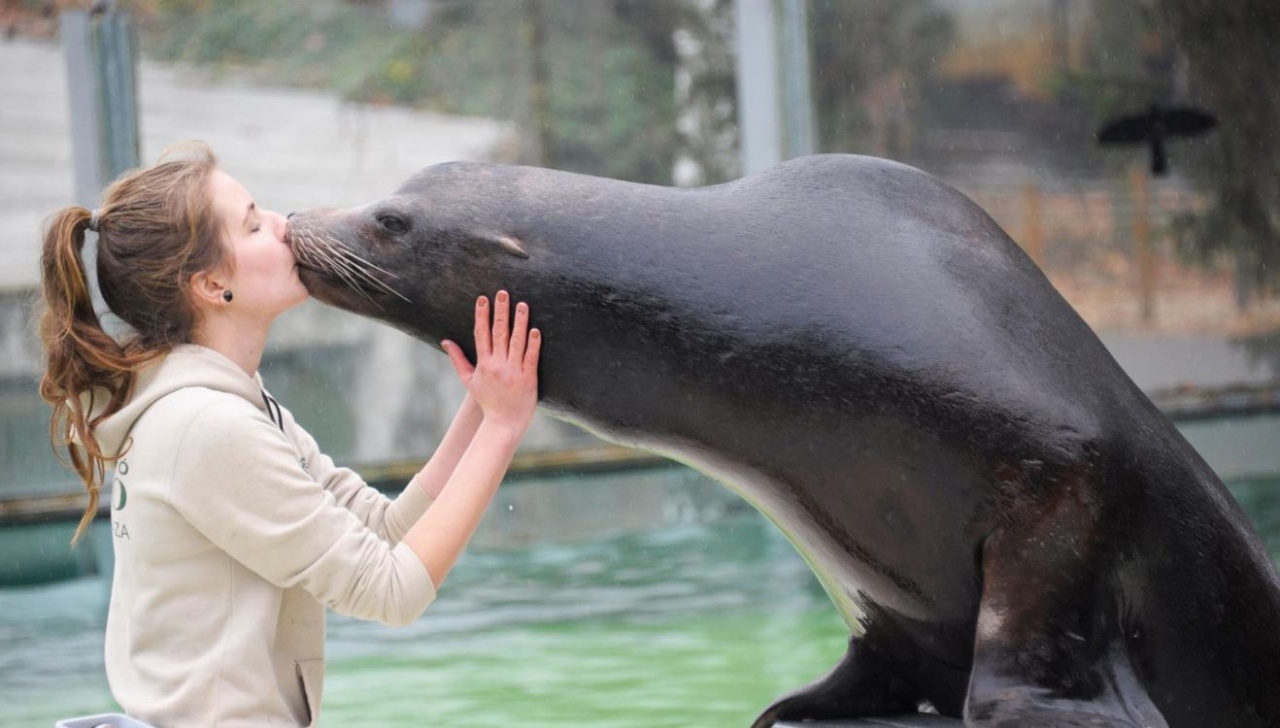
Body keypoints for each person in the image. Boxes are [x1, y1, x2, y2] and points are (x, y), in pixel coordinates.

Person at [38, 142, 542, 727]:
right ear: (210, 284)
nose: (285, 225)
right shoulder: (207, 425)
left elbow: (385, 530)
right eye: (254, 225)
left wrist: (483, 405)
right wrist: (503, 428)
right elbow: (391, 591)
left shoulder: (229, 401)